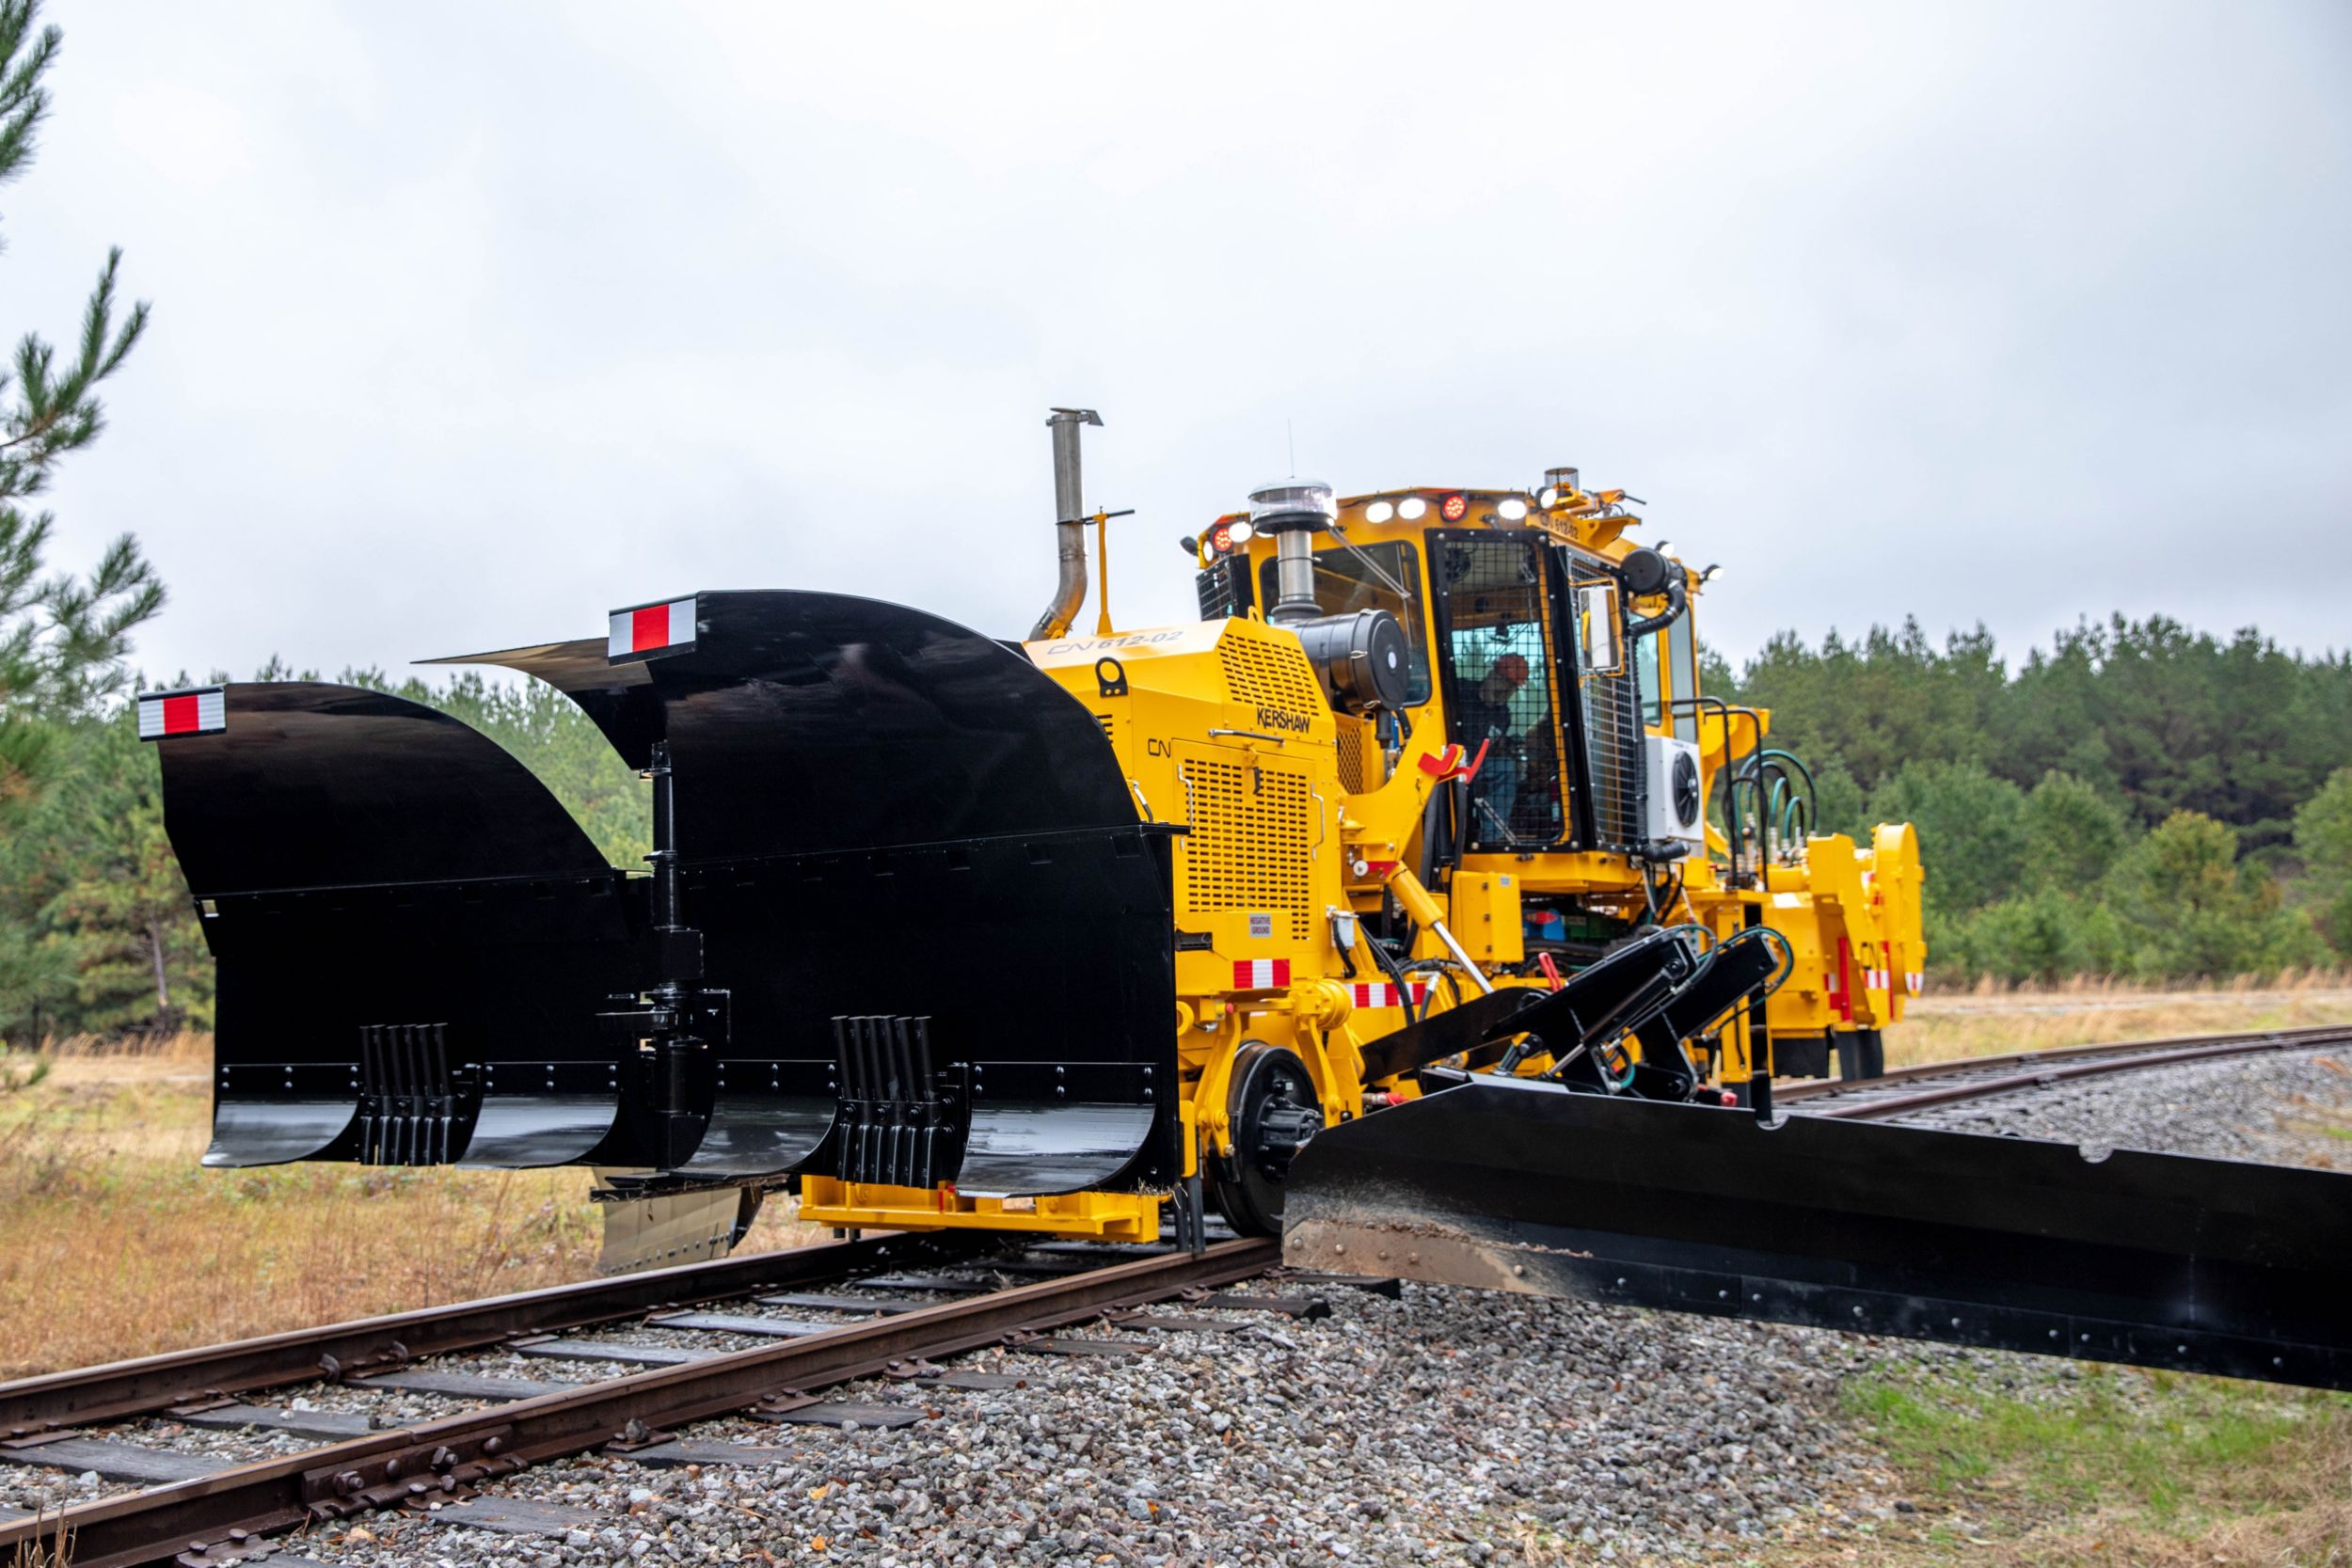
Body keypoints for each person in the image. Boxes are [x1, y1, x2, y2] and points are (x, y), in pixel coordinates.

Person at [1458, 652, 1529, 836]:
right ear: (1493, 675)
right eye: (1504, 682)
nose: (1504, 691)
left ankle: (1492, 838)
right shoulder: (1459, 690)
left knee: (1505, 768)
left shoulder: (1502, 715)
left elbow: (1492, 747)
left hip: (1475, 766)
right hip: (1445, 761)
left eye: (1511, 687)